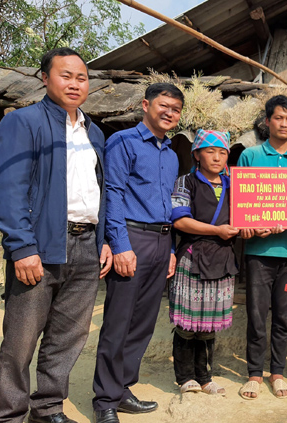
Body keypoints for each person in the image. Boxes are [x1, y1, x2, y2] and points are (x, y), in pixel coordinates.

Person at [0, 47, 112, 423]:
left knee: (68, 337)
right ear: (45, 78)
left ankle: (47, 409)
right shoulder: (23, 122)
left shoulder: (95, 132)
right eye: (66, 75)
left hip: (86, 245)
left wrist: (103, 239)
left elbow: (97, 191)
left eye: (82, 77)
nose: (75, 83)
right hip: (39, 247)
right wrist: (22, 246)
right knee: (21, 340)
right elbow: (6, 189)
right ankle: (7, 415)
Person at [92, 83, 183, 423]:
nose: (169, 112)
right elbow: (112, 195)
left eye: (175, 108)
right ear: (146, 105)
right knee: (118, 323)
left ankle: (122, 389)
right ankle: (104, 402)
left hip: (160, 242)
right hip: (131, 238)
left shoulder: (171, 154)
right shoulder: (123, 143)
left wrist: (171, 248)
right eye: (163, 105)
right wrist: (120, 245)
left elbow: (169, 206)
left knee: (142, 324)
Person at [236, 95, 287, 400]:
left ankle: (277, 372)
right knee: (256, 314)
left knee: (283, 316)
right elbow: (240, 212)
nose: (283, 124)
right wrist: (249, 225)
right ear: (267, 122)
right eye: (278, 118)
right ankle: (254, 373)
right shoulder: (250, 157)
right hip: (258, 253)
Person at [169, 129, 237, 395]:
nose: (217, 157)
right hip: (193, 257)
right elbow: (180, 220)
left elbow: (245, 220)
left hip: (222, 259)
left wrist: (260, 227)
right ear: (196, 154)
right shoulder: (186, 182)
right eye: (210, 151)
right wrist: (218, 230)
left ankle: (206, 378)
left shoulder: (234, 185)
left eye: (222, 152)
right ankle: (185, 377)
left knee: (208, 325)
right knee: (188, 324)